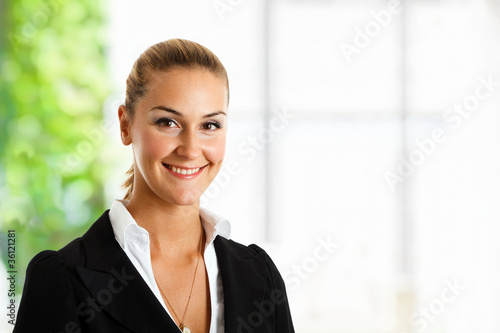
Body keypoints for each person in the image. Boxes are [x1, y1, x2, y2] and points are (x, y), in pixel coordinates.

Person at [14, 39, 294, 333]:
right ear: (125, 125)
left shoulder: (259, 277)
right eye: (167, 122)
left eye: (210, 125)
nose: (190, 149)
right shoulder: (62, 279)